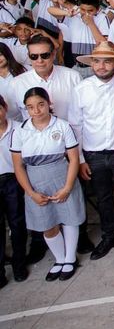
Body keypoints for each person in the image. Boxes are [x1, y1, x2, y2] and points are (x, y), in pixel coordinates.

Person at [69, 42, 114, 260]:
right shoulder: (81, 90)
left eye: (107, 60)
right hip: (93, 153)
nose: (101, 65)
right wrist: (79, 159)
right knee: (103, 196)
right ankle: (110, 235)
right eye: (97, 61)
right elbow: (76, 126)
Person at [11, 87, 84, 281]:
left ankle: (70, 258)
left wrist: (67, 186)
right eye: (30, 107)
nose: (36, 110)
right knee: (47, 223)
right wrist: (30, 192)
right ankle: (59, 259)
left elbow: (74, 159)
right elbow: (18, 166)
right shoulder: (20, 131)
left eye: (40, 104)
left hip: (61, 175)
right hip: (36, 182)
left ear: (48, 103)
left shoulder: (62, 126)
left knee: (69, 217)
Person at [0, 95, 26, 285]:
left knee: (17, 222)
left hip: (13, 179)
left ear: (5, 107)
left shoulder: (20, 129)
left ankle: (19, 262)